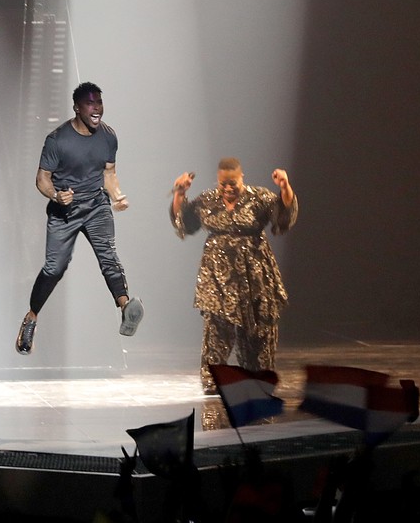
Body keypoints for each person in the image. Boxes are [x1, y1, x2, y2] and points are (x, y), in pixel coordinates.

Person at [16, 82, 142, 355]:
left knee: (108, 255)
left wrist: (117, 195)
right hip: (65, 211)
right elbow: (41, 179)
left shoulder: (109, 137)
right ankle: (31, 318)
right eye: (90, 103)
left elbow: (109, 173)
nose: (96, 107)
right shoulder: (57, 140)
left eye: (99, 102)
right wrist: (56, 196)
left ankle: (125, 306)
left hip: (96, 204)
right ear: (77, 108)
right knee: (54, 268)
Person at [170, 158, 297, 392]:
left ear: (242, 178)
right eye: (223, 184)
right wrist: (179, 193)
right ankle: (214, 378)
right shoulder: (208, 199)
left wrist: (285, 187)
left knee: (259, 327)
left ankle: (258, 376)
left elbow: (283, 215)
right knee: (217, 328)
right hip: (217, 277)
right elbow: (185, 224)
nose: (228, 189)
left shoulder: (259, 197)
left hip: (255, 273)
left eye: (233, 184)